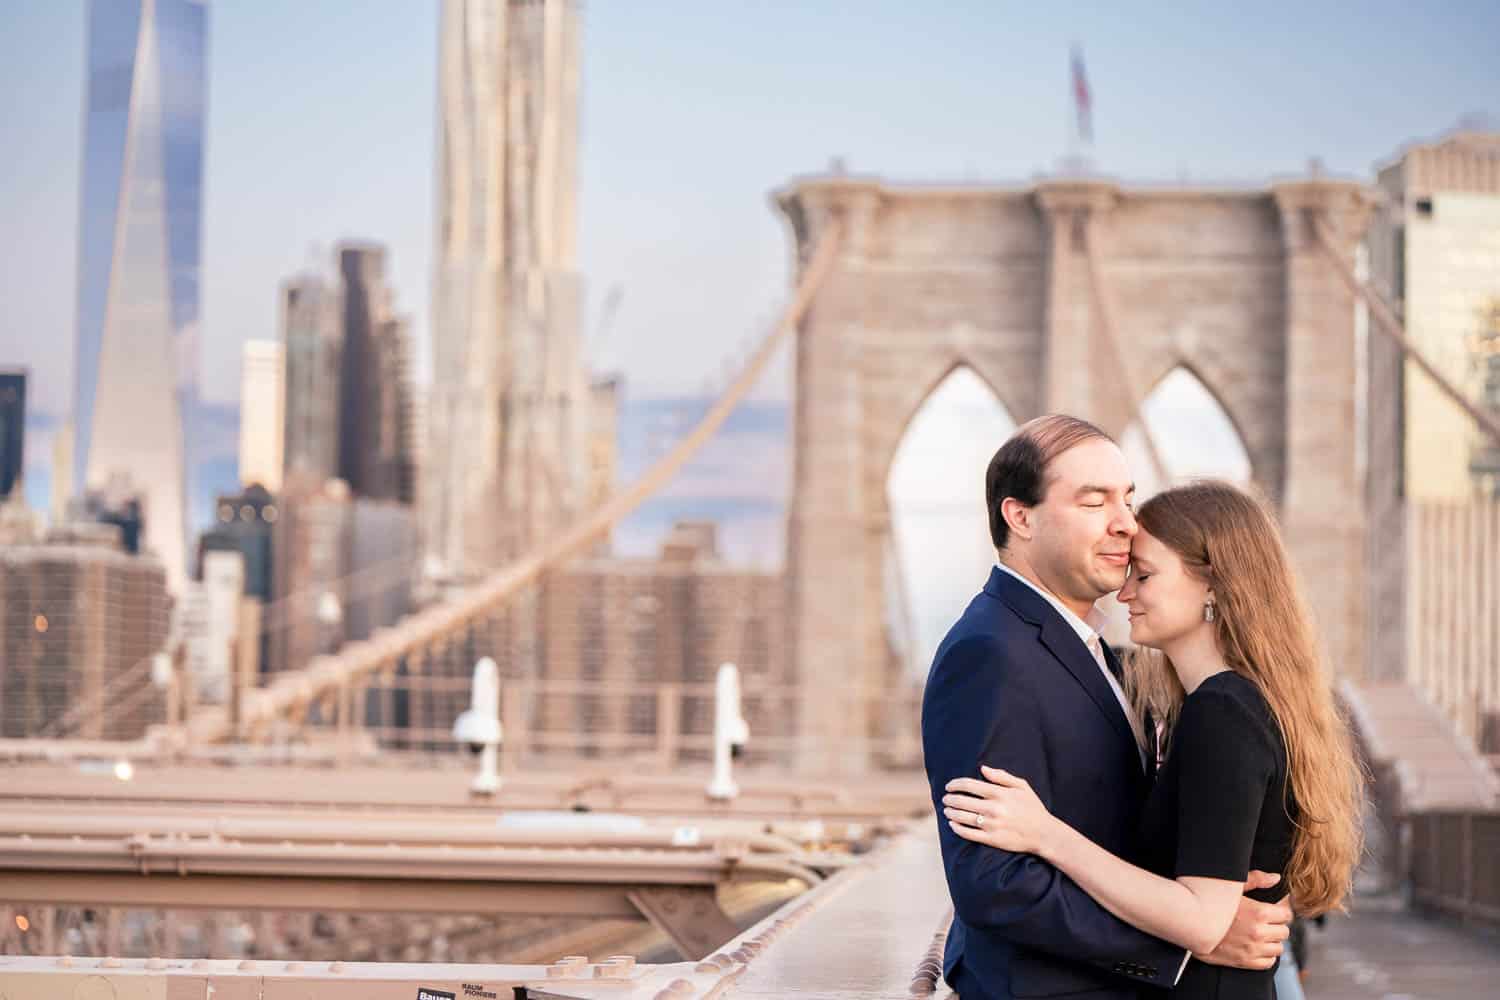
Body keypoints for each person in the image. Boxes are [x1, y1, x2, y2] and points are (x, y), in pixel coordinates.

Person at [942, 477, 1365, 999]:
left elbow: (1203, 922)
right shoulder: (1223, 702)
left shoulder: (1222, 712)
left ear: (1212, 584)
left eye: (1143, 575)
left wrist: (1045, 834)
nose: (1124, 594)